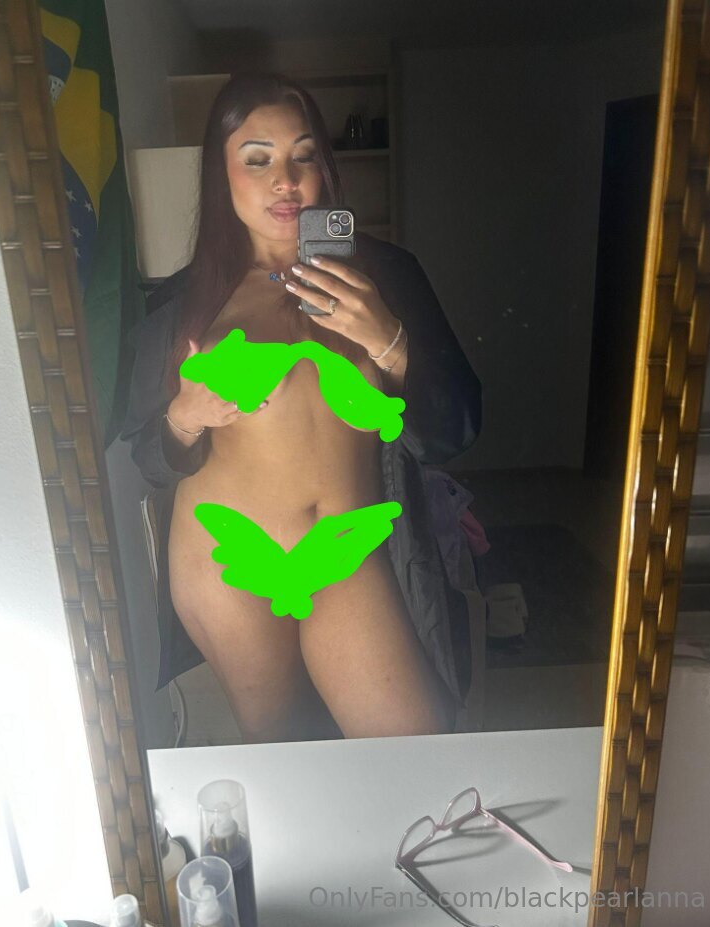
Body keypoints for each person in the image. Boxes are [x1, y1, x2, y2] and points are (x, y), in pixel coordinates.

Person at [121, 73, 482, 743]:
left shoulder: (386, 277)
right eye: (257, 159)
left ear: (325, 168)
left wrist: (390, 340)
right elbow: (149, 457)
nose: (285, 180)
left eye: (303, 155)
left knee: (415, 753)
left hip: (347, 549)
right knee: (282, 747)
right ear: (222, 174)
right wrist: (186, 416)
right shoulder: (183, 303)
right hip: (228, 558)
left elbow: (456, 427)